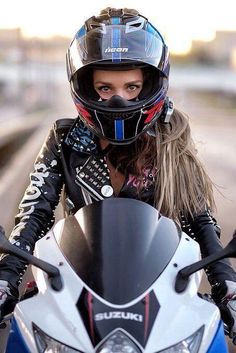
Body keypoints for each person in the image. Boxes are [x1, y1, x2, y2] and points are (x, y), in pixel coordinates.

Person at [0, 6, 236, 335]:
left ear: (151, 83)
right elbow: (34, 215)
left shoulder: (172, 139)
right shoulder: (64, 137)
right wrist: (6, 277)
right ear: (85, 85)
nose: (119, 102)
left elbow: (200, 221)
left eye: (132, 87)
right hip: (75, 292)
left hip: (160, 294)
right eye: (105, 89)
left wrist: (228, 287)